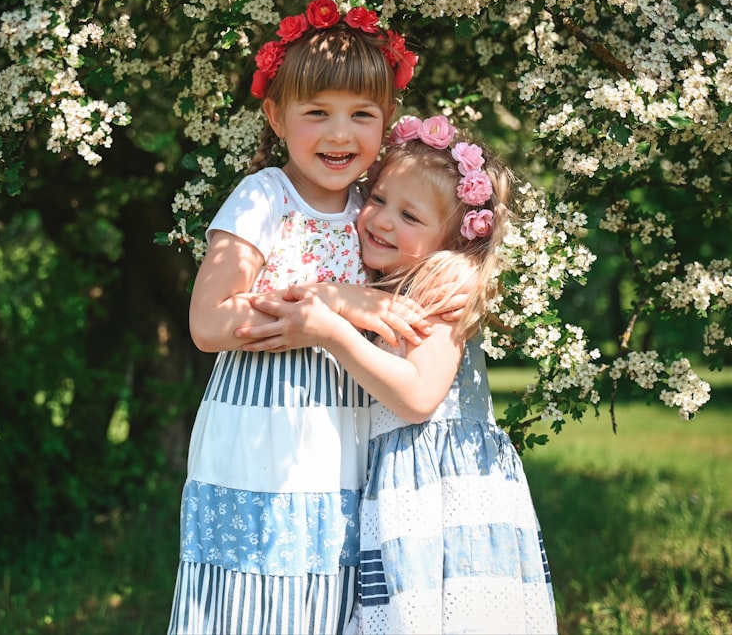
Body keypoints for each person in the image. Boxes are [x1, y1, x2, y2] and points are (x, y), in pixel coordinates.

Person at [236, 115, 559, 634]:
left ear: (451, 241)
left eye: (410, 216)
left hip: (443, 493)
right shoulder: (388, 280)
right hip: (401, 486)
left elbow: (418, 398)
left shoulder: (442, 286)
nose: (382, 220)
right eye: (380, 198)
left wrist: (332, 333)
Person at [167, 0, 425, 635]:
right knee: (252, 597)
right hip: (263, 429)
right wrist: (335, 300)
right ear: (276, 116)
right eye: (317, 113)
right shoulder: (263, 197)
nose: (340, 135)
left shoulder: (374, 208)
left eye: (361, 115)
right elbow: (208, 322)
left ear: (386, 120)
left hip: (341, 427)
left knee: (322, 594)